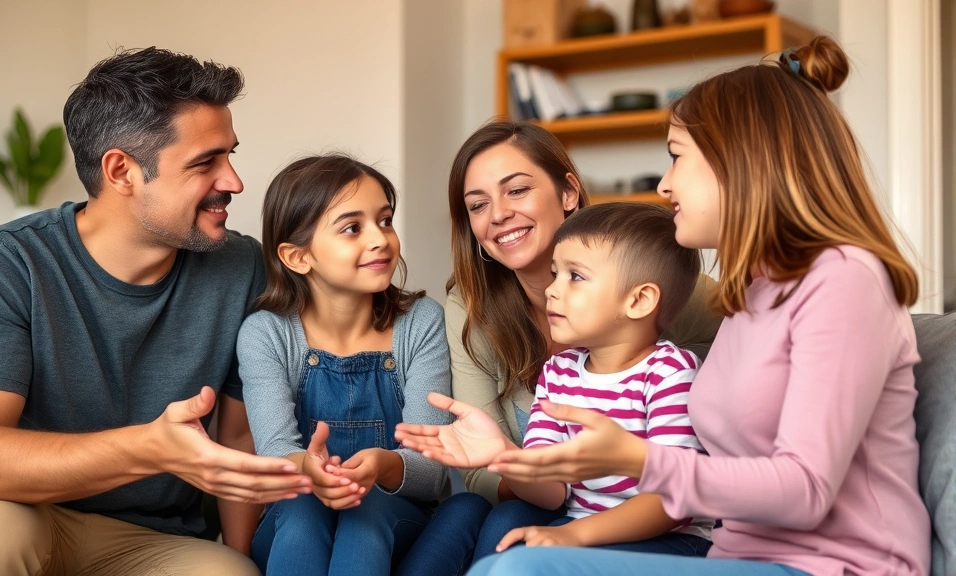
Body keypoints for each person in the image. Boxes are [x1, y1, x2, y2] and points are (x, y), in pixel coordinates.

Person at [459, 36, 932, 576]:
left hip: (835, 566)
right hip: (736, 557)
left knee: (521, 572)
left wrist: (636, 459)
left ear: (742, 162)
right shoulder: (750, 294)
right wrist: (505, 452)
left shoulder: (844, 281)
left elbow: (805, 489)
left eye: (676, 158)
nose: (663, 185)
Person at [0, 48, 313, 575]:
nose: (234, 182)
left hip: (146, 538)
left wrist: (239, 551)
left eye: (230, 155)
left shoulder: (241, 265)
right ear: (122, 171)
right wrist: (149, 447)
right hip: (11, 507)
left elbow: (237, 437)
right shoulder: (8, 259)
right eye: (206, 162)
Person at [442, 119, 723, 562]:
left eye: (516, 190)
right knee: (484, 517)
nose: (496, 214)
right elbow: (543, 486)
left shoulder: (664, 316)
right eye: (478, 205)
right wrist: (503, 455)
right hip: (569, 514)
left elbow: (680, 491)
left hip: (662, 534)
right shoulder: (547, 363)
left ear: (569, 194)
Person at [398, 201, 715, 560]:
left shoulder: (671, 373)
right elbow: (552, 492)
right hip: (583, 527)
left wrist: (575, 534)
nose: (551, 289)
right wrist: (506, 455)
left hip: (670, 541)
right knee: (502, 532)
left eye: (575, 276)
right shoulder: (558, 372)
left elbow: (673, 501)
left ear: (639, 300)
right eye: (555, 273)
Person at [238, 154, 484, 576]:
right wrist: (309, 471)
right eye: (353, 228)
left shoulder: (421, 323)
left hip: (394, 519)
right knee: (301, 508)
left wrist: (382, 465)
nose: (380, 239)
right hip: (295, 523)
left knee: (374, 512)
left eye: (385, 221)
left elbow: (431, 472)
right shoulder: (265, 333)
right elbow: (276, 455)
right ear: (298, 257)